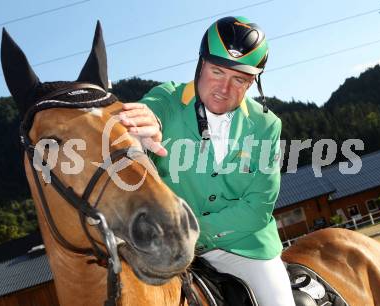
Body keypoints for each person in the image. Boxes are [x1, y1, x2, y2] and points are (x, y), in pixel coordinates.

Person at [120, 16, 295, 306]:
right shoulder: (166, 98)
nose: (223, 89)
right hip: (164, 248)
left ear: (252, 82)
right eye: (217, 72)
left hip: (245, 248)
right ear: (201, 64)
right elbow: (152, 112)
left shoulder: (267, 126)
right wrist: (146, 123)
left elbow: (257, 209)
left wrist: (190, 233)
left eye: (238, 79)